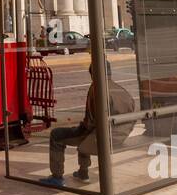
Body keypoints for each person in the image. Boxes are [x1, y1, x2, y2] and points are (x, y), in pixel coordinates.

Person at [39, 59, 132, 187]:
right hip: (119, 136)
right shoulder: (122, 90)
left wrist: (82, 128)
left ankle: (57, 176)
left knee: (58, 135)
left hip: (101, 138)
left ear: (93, 74)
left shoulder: (96, 89)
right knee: (85, 133)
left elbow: (90, 123)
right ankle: (82, 173)